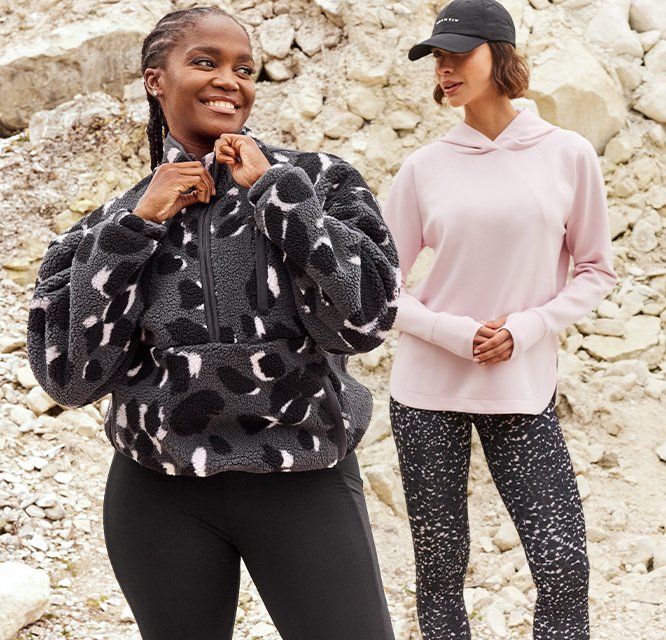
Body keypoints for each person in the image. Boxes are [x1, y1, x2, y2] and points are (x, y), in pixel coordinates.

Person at [26, 7, 399, 640]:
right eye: (205, 62)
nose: (230, 80)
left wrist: (278, 196)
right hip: (158, 494)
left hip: (302, 477)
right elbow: (70, 378)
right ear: (155, 80)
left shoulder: (319, 183)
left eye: (245, 69)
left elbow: (365, 322)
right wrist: (136, 228)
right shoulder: (110, 222)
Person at [382, 0, 618, 637]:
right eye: (438, 57)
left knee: (563, 565)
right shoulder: (424, 167)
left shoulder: (567, 154)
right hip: (426, 390)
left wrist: (527, 328)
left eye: (460, 54)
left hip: (521, 385)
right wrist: (455, 334)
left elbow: (595, 269)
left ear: (501, 56)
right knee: (440, 571)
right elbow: (380, 288)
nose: (445, 68)